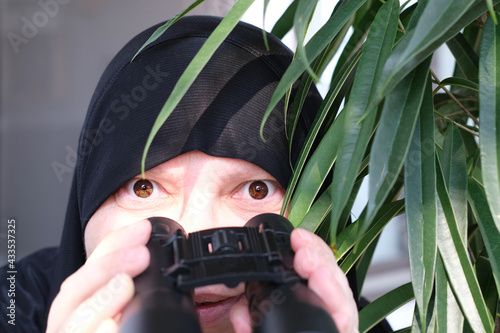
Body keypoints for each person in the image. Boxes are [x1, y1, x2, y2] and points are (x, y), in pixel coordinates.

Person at [1, 16, 361, 333]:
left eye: (255, 190)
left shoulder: (348, 322)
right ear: (88, 198)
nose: (198, 231)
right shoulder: (13, 305)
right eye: (144, 188)